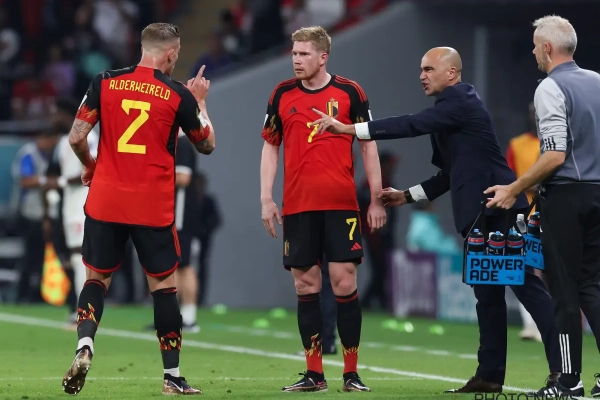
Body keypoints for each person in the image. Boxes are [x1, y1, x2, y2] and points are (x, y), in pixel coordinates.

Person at [310, 46, 562, 394]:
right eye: (421, 69)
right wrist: (407, 195)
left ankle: (563, 372)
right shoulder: (448, 112)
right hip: (483, 214)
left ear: (452, 73)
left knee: (526, 288)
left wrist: (350, 128)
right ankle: (489, 376)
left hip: (500, 210)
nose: (422, 76)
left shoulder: (460, 101)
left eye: (429, 69)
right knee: (487, 296)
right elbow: (448, 174)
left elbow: (411, 124)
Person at [61, 22, 215, 396]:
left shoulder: (104, 82)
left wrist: (90, 165)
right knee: (163, 287)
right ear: (172, 53)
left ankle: (85, 345)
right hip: (151, 204)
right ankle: (172, 377)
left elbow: (76, 136)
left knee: (96, 279)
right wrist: (200, 102)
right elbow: (206, 144)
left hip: (106, 199)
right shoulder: (177, 94)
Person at [260, 26, 386, 393]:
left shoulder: (350, 92)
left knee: (344, 281)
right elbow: (270, 146)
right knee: (305, 284)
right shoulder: (281, 94)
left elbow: (368, 145)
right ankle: (314, 373)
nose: (296, 60)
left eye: (304, 54)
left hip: (340, 204)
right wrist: (266, 198)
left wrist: (376, 198)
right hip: (298, 205)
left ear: (323, 57)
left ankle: (351, 373)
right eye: (294, 53)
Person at [485, 15, 600, 398]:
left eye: (536, 46)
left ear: (548, 48)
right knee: (593, 286)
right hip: (598, 194)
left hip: (566, 196)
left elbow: (554, 155)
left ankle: (568, 382)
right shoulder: (598, 81)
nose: (534, 52)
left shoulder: (550, 87)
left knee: (564, 292)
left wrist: (513, 188)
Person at [45, 98, 100, 329]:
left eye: (56, 113)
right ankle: (79, 309)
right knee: (75, 256)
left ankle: (83, 311)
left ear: (67, 114)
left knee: (81, 255)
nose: (52, 118)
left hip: (83, 201)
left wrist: (58, 182)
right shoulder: (62, 141)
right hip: (69, 204)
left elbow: (92, 169)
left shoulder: (88, 136)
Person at [506, 102, 543, 343]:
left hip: (554, 213)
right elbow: (508, 176)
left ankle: (555, 321)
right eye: (533, 112)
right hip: (525, 214)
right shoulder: (517, 145)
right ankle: (531, 324)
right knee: (526, 267)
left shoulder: (560, 143)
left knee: (554, 270)